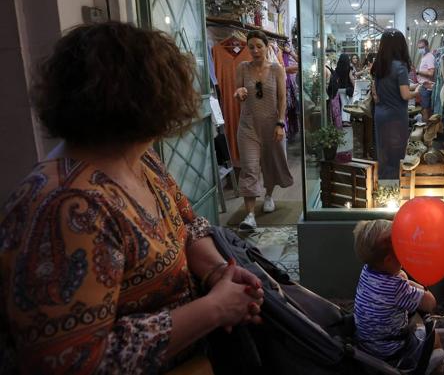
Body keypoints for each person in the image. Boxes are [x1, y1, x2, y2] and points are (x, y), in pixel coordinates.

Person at [0, 21, 265, 374]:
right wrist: (213, 309)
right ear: (157, 98)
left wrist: (218, 272)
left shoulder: (142, 162)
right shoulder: (64, 205)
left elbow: (188, 224)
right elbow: (69, 361)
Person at [353, 220, 444, 374]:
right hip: (390, 350)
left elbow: (397, 279)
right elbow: (430, 303)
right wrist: (417, 285)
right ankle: (434, 367)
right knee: (432, 334)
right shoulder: (397, 288)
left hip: (366, 343)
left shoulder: (366, 271)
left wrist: (402, 277)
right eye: (401, 251)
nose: (405, 254)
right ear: (388, 261)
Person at [234, 30, 294, 232]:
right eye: (251, 47)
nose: (255, 50)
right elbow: (238, 92)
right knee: (249, 168)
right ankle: (250, 215)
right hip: (248, 126)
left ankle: (268, 195)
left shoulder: (277, 69)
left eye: (259, 46)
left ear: (268, 46)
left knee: (271, 164)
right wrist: (239, 93)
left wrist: (280, 123)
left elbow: (283, 98)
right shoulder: (242, 68)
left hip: (271, 124)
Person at [371, 29, 422, 179]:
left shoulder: (379, 65)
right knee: (396, 155)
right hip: (396, 117)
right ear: (401, 45)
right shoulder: (400, 67)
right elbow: (405, 94)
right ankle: (394, 189)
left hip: (380, 115)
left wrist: (413, 87)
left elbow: (378, 95)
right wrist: (418, 91)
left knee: (383, 153)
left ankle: (383, 188)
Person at [415, 39, 436, 122]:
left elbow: (431, 73)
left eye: (422, 47)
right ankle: (426, 129)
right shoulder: (425, 57)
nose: (420, 49)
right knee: (425, 109)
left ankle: (425, 130)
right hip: (424, 86)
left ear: (427, 46)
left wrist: (417, 72)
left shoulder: (429, 57)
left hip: (427, 87)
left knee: (425, 110)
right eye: (419, 48)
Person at [335, 54, 356, 126]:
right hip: (348, 88)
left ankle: (344, 120)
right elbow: (351, 77)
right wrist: (355, 85)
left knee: (344, 103)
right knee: (350, 102)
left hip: (340, 88)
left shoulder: (338, 68)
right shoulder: (349, 67)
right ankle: (348, 119)